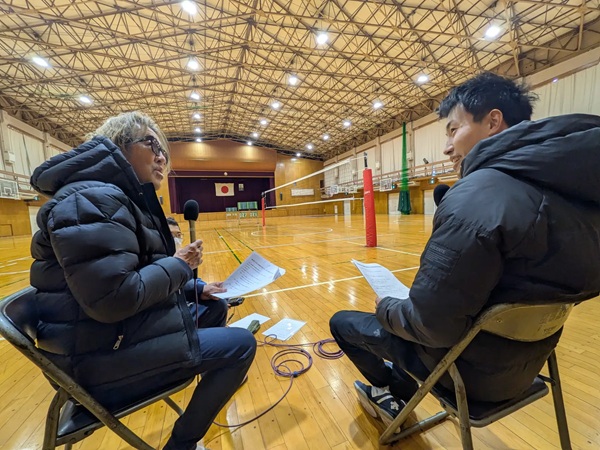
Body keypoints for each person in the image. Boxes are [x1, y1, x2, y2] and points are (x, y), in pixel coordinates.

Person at [330, 72, 600, 429]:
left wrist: (387, 308)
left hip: (466, 373)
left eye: (453, 130)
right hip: (532, 363)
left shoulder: (477, 197)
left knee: (343, 323)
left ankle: (390, 391)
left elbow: (431, 327)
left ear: (492, 121)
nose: (446, 147)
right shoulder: (579, 200)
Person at [30, 111, 256, 450]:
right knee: (241, 345)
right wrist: (181, 265)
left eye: (163, 149)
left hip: (106, 337)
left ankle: (208, 382)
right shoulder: (90, 200)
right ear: (118, 147)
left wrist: (196, 287)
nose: (162, 156)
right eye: (151, 144)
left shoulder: (109, 197)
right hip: (94, 361)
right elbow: (113, 299)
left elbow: (137, 270)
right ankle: (182, 445)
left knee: (214, 308)